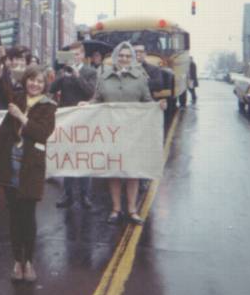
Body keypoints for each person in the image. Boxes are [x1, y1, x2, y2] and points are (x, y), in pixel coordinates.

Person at [0, 65, 57, 283]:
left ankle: (28, 261)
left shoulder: (49, 106)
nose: (35, 84)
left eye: (40, 81)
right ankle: (17, 261)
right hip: (9, 164)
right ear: (26, 81)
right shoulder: (17, 97)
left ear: (45, 85)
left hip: (30, 167)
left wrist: (22, 117)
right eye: (31, 80)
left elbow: (42, 133)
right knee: (13, 216)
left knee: (27, 216)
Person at [89, 41, 166, 226]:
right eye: (121, 55)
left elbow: (147, 100)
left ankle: (132, 209)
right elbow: (97, 99)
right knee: (114, 171)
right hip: (111, 132)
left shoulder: (140, 78)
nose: (124, 59)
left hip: (133, 133)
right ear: (115, 57)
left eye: (127, 56)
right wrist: (87, 104)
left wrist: (158, 105)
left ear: (132, 58)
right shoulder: (104, 77)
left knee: (132, 171)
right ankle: (116, 209)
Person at [50, 41, 97, 210]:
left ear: (83, 55)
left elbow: (91, 92)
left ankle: (85, 195)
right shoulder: (64, 72)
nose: (75, 57)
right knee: (67, 157)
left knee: (83, 157)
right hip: (67, 120)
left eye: (77, 54)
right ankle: (67, 194)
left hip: (84, 119)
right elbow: (52, 88)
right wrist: (62, 74)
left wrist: (77, 76)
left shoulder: (91, 72)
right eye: (72, 54)